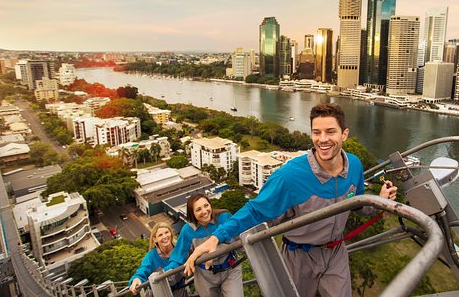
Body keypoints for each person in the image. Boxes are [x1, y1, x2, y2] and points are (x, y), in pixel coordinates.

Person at [185, 103, 397, 297]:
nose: (323, 139)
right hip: (298, 256)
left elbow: (358, 202)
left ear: (344, 134)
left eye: (330, 131)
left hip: (336, 253)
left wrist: (379, 201)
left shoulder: (355, 165)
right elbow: (256, 210)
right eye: (316, 132)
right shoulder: (289, 176)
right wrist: (216, 237)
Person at [165, 193, 243, 297]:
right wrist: (165, 272)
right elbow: (178, 257)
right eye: (198, 209)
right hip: (205, 276)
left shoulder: (223, 217)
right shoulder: (187, 231)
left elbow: (240, 236)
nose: (204, 211)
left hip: (230, 268)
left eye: (206, 206)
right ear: (192, 213)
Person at [128, 222, 186, 296]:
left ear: (171, 234)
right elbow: (144, 268)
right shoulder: (151, 256)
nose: (165, 236)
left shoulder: (179, 249)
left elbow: (175, 264)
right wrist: (137, 278)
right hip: (158, 293)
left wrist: (159, 275)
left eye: (166, 232)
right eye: (160, 235)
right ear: (155, 239)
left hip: (179, 291)